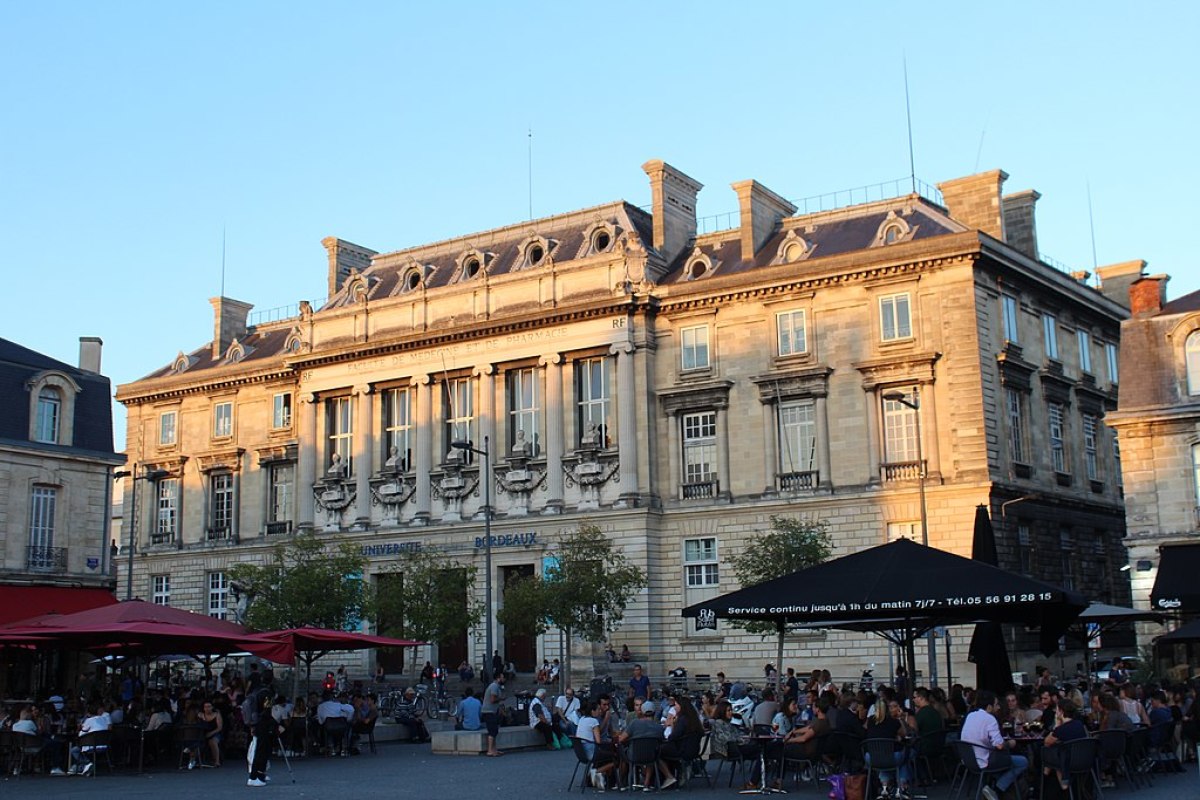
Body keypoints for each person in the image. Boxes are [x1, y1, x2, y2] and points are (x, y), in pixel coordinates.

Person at [961, 690, 1028, 800]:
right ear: (989, 706)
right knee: (1022, 762)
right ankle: (997, 789)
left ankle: (993, 789)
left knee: (1004, 764)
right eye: (996, 705)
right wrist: (1010, 744)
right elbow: (999, 746)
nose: (999, 707)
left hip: (970, 760)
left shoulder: (970, 715)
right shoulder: (989, 718)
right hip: (985, 761)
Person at [656, 695, 702, 790]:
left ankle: (669, 776)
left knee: (656, 752)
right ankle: (679, 770)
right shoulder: (693, 719)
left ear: (682, 706)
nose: (674, 707)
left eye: (676, 705)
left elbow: (673, 737)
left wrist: (673, 725)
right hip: (694, 750)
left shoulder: (682, 720)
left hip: (683, 750)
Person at [1041, 699, 1088, 791]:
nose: (1055, 712)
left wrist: (1056, 726)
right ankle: (1046, 773)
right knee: (1057, 752)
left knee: (1052, 753)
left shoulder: (1061, 729)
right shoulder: (1079, 724)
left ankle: (1057, 784)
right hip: (1084, 760)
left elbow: (1046, 742)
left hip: (1069, 762)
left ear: (1061, 711)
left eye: (1057, 710)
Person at [578, 700, 619, 790]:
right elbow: (598, 741)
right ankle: (597, 771)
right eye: (598, 709)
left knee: (608, 755)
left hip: (582, 753)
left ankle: (603, 780)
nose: (600, 711)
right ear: (593, 711)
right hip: (592, 752)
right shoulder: (594, 721)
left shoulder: (582, 719)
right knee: (616, 758)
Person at [247, 692, 281, 787]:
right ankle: (260, 775)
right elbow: (267, 709)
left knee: (258, 751)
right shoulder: (267, 695)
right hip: (265, 728)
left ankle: (253, 776)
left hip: (258, 725)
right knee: (263, 752)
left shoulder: (255, 695)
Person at [481, 671, 506, 756]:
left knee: (494, 730)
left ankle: (494, 749)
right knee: (492, 730)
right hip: (489, 711)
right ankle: (490, 750)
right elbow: (492, 700)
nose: (504, 679)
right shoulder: (494, 686)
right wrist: (501, 698)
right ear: (498, 678)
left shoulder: (496, 686)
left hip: (492, 711)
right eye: (502, 677)